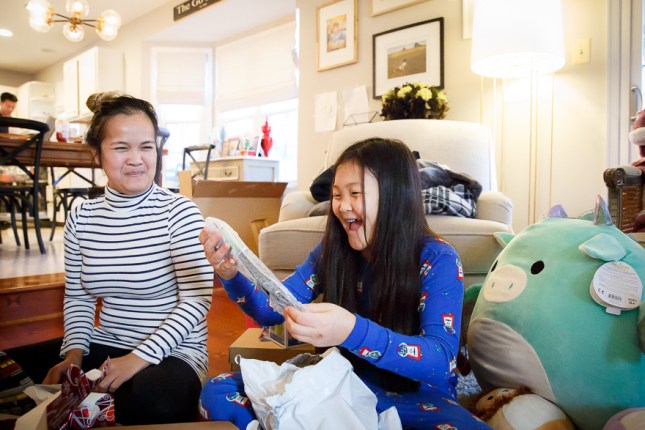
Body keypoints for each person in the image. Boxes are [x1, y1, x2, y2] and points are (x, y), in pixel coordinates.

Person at [198, 138, 491, 429]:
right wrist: (230, 275)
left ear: (395, 196)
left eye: (355, 193)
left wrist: (351, 330)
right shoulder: (331, 250)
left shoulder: (439, 258)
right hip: (339, 385)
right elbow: (270, 311)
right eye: (337, 195)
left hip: (416, 399)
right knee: (218, 391)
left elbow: (440, 361)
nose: (342, 206)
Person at [7, 94, 214, 425]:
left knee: (156, 403)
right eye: (121, 148)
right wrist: (73, 355)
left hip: (174, 352)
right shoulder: (81, 217)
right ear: (97, 153)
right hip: (107, 343)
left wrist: (137, 358)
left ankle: (76, 408)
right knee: (6, 367)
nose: (136, 160)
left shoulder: (180, 212)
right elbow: (79, 296)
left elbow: (197, 300)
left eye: (146, 147)